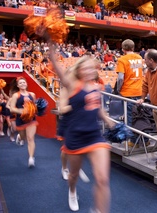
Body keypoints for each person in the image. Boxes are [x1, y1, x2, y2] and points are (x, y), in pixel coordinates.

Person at [49, 40, 114, 212]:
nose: (89, 70)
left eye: (91, 67)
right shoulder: (72, 85)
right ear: (78, 70)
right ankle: (72, 191)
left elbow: (97, 107)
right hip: (75, 135)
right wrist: (52, 52)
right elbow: (61, 74)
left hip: (94, 136)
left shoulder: (96, 87)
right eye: (84, 67)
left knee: (102, 179)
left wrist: (107, 119)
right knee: (74, 175)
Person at [115, 39, 144, 147]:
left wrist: (118, 89)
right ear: (133, 48)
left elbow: (120, 78)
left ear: (123, 49)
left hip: (128, 92)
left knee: (129, 117)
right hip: (139, 91)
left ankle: (133, 141)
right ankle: (144, 139)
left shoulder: (122, 59)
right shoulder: (140, 58)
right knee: (140, 117)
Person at [9, 77, 38, 168]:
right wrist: (21, 111)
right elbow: (12, 108)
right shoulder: (16, 95)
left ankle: (31, 158)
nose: (22, 84)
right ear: (18, 85)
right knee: (23, 137)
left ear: (26, 84)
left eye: (24, 82)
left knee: (30, 138)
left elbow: (34, 105)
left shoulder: (32, 94)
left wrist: (36, 109)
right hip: (20, 119)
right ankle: (19, 137)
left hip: (31, 119)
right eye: (20, 83)